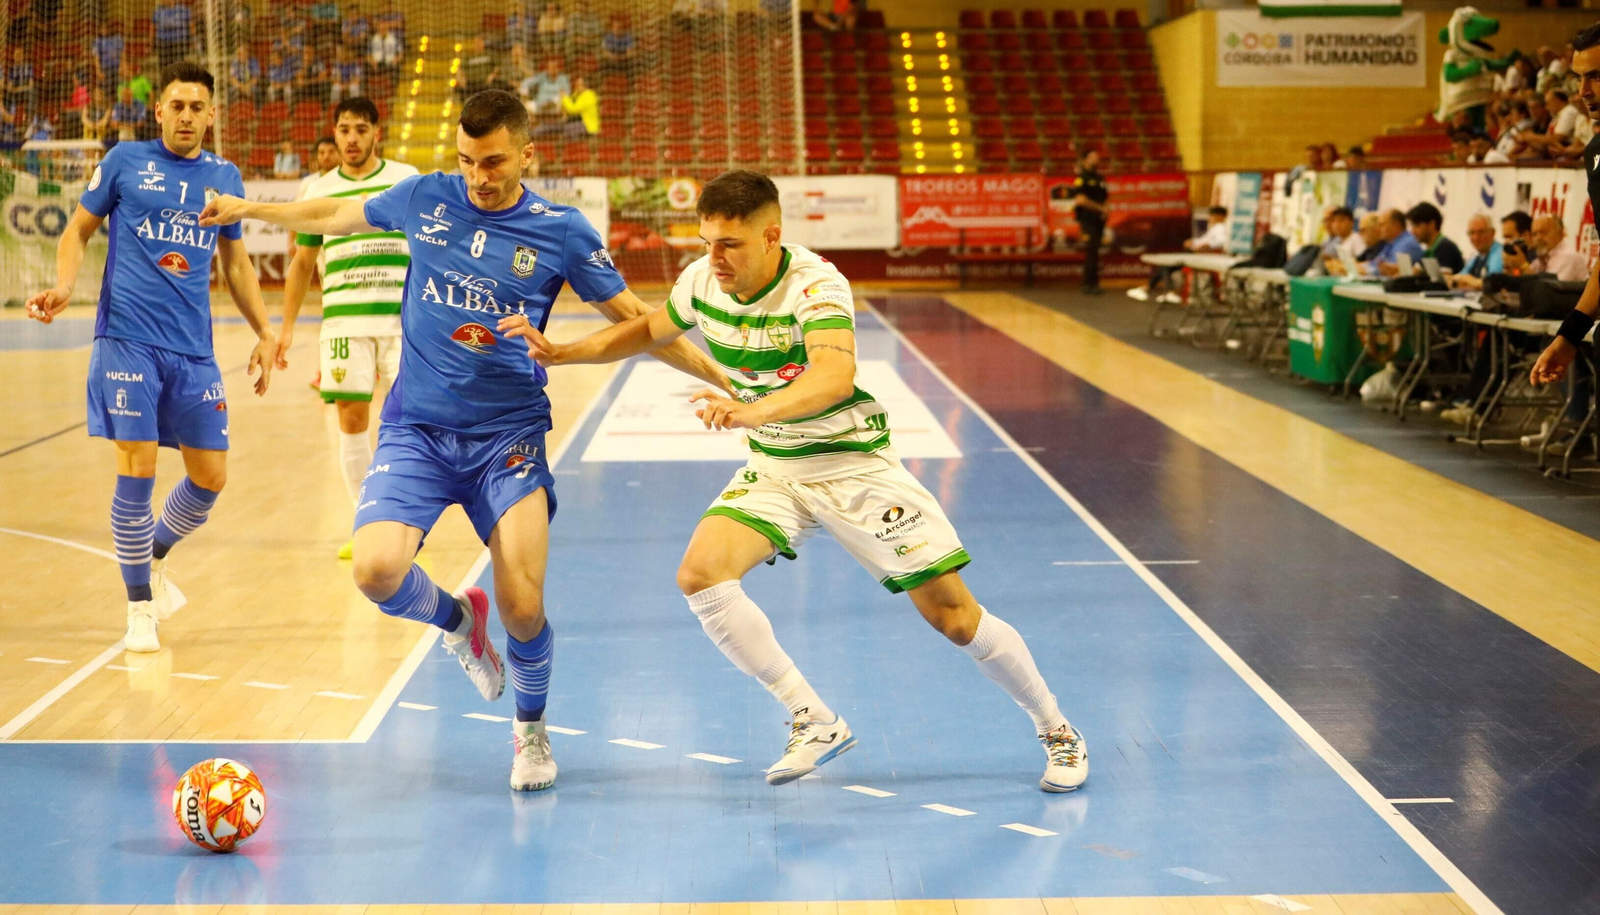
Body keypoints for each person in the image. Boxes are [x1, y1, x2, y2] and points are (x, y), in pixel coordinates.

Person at [198, 89, 729, 791]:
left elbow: (637, 318)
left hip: (508, 435)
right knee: (375, 572)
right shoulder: (424, 196)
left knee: (524, 607)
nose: (478, 176)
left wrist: (728, 380)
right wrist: (247, 209)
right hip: (416, 429)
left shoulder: (561, 231)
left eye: (494, 162)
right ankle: (457, 623)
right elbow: (330, 215)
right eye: (467, 161)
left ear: (527, 155)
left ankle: (531, 732)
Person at [503, 169, 1089, 793]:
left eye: (729, 244)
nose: (714, 257)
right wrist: (564, 352)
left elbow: (834, 378)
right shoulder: (700, 281)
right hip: (778, 466)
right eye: (707, 242)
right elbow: (650, 329)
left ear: (771, 237)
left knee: (955, 618)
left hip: (851, 464)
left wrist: (749, 411)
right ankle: (813, 718)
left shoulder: (815, 284)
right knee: (700, 574)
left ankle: (1056, 728)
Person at [24, 61, 276, 653]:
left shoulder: (224, 177)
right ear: (159, 111)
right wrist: (65, 285)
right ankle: (138, 606)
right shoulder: (124, 161)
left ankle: (153, 556)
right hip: (126, 340)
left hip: (194, 350)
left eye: (197, 107)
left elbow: (236, 263)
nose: (186, 116)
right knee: (137, 468)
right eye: (176, 106)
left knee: (210, 479)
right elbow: (77, 231)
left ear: (211, 115)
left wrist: (266, 331)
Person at [278, 98, 422, 560]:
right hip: (343, 323)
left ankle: (406, 526)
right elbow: (302, 261)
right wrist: (286, 327)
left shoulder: (405, 178)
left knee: (408, 425)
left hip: (403, 324)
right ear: (334, 133)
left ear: (377, 132)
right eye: (344, 129)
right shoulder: (318, 189)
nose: (352, 138)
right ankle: (366, 527)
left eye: (361, 129)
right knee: (352, 422)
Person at [1530, 26, 1600, 388]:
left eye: (1596, 76)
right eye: (1579, 78)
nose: (1584, 91)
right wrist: (1570, 335)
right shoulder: (1595, 152)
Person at [1129, 204, 1229, 302]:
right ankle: (1154, 289)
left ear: (1220, 216)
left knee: (1167, 265)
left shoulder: (1220, 228)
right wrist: (1193, 242)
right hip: (1196, 255)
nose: (1209, 217)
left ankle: (1161, 290)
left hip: (1200, 257)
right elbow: (1204, 241)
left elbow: (1221, 241)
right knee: (1166, 266)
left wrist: (1207, 245)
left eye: (1212, 215)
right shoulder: (1214, 228)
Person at [1069, 150, 1108, 294]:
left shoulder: (1099, 178)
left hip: (1098, 220)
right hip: (1087, 219)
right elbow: (1080, 200)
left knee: (1095, 250)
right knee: (1091, 249)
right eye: (1092, 156)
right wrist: (1099, 208)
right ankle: (1088, 283)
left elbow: (1105, 197)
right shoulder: (1081, 178)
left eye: (1097, 156)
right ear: (1085, 159)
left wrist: (1105, 211)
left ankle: (1094, 282)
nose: (1096, 159)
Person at [1518, 215, 1590, 282]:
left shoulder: (1569, 258)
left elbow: (1550, 289)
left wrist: (1523, 265)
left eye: (1544, 232)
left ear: (1561, 233)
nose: (1538, 238)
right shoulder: (1540, 261)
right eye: (1534, 234)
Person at [1405, 202, 1465, 275]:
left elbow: (1443, 280)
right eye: (1412, 226)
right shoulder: (1429, 250)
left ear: (1431, 224)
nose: (1412, 231)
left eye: (1417, 225)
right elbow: (1413, 272)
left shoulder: (1445, 247)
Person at [1448, 214, 1503, 291]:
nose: (1476, 237)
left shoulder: (1499, 253)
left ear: (1492, 233)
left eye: (1481, 232)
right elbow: (1460, 277)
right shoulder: (1476, 256)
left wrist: (1470, 281)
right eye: (1472, 233)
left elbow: (1491, 283)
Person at [1364, 208, 1423, 277]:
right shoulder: (1390, 243)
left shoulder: (1408, 244)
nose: (1378, 228)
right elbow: (1376, 263)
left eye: (1382, 224)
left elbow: (1389, 270)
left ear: (1396, 226)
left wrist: (1367, 270)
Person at [151, 0, 194, 70]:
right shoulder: (158, 11)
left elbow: (191, 25)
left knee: (179, 65)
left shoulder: (183, 10)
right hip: (163, 42)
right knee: (164, 66)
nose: (164, 0)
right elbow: (153, 27)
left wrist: (193, 38)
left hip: (179, 41)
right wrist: (151, 41)